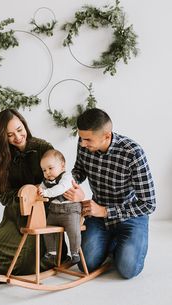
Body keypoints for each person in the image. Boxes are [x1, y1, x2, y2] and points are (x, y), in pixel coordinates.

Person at [0, 109, 68, 286]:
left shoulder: (42, 147)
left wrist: (44, 192)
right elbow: (4, 197)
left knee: (31, 257)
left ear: (24, 124)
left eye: (19, 129)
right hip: (16, 211)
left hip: (44, 211)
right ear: (3, 138)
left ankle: (52, 257)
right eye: (10, 135)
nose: (17, 137)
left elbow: (59, 176)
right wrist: (25, 193)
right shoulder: (0, 160)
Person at [64, 108, 156, 279]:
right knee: (86, 264)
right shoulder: (84, 143)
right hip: (97, 214)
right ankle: (113, 243)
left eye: (88, 140)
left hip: (130, 216)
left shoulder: (133, 153)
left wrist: (106, 211)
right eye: (81, 139)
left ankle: (120, 244)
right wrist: (71, 186)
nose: (83, 144)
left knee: (128, 270)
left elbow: (149, 204)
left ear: (106, 136)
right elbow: (79, 171)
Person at [38, 149, 82, 266]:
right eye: (44, 170)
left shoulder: (67, 177)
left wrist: (46, 193)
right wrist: (38, 191)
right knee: (46, 229)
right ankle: (52, 252)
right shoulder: (46, 181)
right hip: (54, 212)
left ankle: (75, 252)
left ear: (62, 166)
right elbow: (40, 189)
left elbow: (61, 188)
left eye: (50, 168)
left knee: (73, 230)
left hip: (70, 211)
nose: (47, 172)